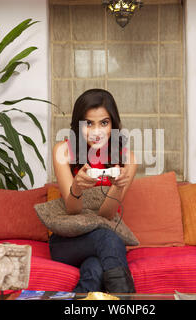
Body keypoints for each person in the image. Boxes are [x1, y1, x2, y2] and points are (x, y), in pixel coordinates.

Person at [50, 88, 138, 293]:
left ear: (113, 125)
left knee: (95, 269)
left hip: (104, 244)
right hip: (67, 241)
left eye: (104, 123)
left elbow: (106, 215)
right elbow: (72, 210)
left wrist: (118, 185)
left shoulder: (127, 159)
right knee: (109, 238)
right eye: (89, 123)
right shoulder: (63, 150)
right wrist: (77, 186)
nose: (96, 132)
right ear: (78, 125)